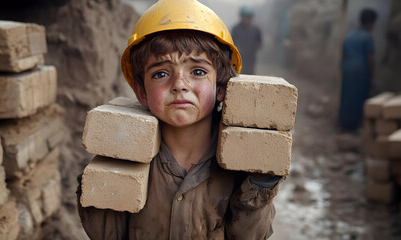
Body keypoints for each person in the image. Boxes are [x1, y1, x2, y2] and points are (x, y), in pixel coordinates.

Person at [77, 0, 283, 239]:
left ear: (221, 87)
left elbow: (250, 236)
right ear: (141, 92)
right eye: (161, 73)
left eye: (197, 71)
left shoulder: (241, 162)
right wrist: (100, 184)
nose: (179, 85)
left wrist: (261, 183)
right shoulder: (123, 159)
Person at [338, 8, 378, 131]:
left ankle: (343, 124)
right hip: (360, 70)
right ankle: (354, 126)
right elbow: (370, 58)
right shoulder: (368, 37)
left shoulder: (349, 36)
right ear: (370, 22)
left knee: (346, 95)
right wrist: (372, 75)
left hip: (347, 68)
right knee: (359, 97)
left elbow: (343, 54)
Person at [231, 5, 263, 74]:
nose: (247, 20)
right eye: (245, 18)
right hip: (239, 57)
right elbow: (231, 42)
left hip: (251, 57)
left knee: (250, 73)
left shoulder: (255, 29)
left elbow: (259, 42)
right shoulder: (236, 29)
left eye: (249, 18)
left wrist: (253, 48)